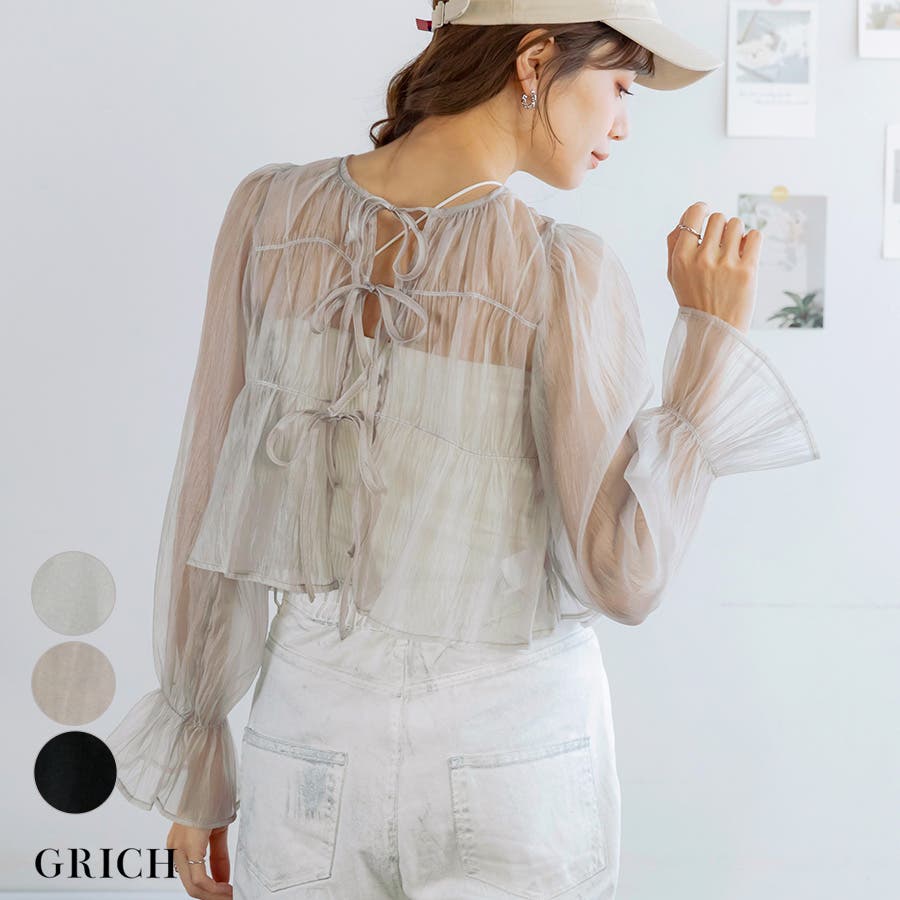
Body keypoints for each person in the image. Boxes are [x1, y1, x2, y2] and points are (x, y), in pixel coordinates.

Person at [107, 2, 820, 898]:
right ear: (534, 60)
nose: (623, 124)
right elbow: (623, 574)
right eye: (620, 86)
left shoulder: (269, 214)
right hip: (510, 750)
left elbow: (209, 491)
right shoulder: (560, 270)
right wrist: (711, 342)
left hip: (307, 743)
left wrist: (198, 753)